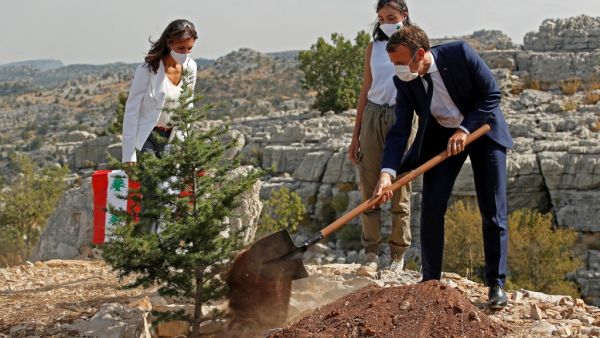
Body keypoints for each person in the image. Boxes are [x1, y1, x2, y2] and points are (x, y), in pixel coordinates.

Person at [373, 25, 513, 309]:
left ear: (421, 54)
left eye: (400, 63)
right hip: (442, 139)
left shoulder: (460, 53)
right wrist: (387, 173)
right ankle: (430, 282)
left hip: (483, 130)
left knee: (492, 210)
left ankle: (496, 285)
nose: (397, 70)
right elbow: (400, 130)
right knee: (432, 207)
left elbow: (491, 95)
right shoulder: (405, 81)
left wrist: (464, 129)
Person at [349, 0, 417, 276]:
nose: (386, 22)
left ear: (404, 15)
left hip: (402, 115)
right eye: (381, 18)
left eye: (391, 17)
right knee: (370, 186)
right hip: (373, 116)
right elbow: (366, 87)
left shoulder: (416, 44)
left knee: (400, 186)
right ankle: (371, 253)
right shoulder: (374, 47)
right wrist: (355, 136)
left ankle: (398, 254)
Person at [121, 19, 198, 232]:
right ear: (169, 42)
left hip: (172, 137)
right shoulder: (148, 69)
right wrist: (129, 156)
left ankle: (162, 245)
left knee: (170, 194)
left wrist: (187, 145)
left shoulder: (191, 67)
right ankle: (145, 247)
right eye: (181, 48)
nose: (185, 53)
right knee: (153, 191)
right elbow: (131, 110)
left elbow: (187, 107)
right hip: (148, 137)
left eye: (190, 48)